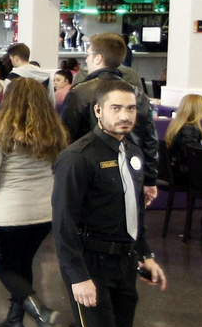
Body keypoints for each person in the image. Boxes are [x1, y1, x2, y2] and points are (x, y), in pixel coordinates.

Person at [52, 77, 168, 327]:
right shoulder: (78, 157)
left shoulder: (132, 152)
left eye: (131, 108)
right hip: (90, 265)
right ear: (98, 111)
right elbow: (64, 224)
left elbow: (134, 212)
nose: (125, 115)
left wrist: (145, 255)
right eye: (116, 108)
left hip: (124, 263)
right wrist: (78, 277)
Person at [0, 78, 67, 327]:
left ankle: (41, 313)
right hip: (45, 213)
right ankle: (14, 320)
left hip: (11, 212)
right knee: (23, 263)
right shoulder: (54, 132)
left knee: (3, 267)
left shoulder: (1, 133)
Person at [61, 34, 158, 207]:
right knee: (130, 219)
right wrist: (149, 179)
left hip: (90, 175)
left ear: (98, 58)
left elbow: (66, 137)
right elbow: (150, 140)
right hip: (131, 171)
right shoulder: (137, 93)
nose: (86, 60)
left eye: (89, 54)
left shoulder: (80, 93)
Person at [165, 93, 202, 236]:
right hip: (186, 173)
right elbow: (192, 155)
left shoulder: (179, 126)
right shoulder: (189, 129)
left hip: (178, 171)